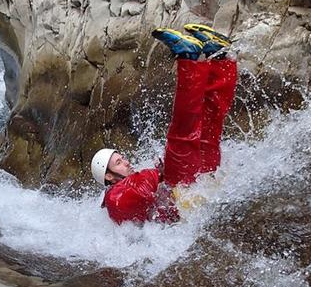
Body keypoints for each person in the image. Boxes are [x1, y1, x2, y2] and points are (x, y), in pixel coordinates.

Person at [91, 24, 237, 225]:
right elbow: (140, 190)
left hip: (192, 192)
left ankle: (221, 58)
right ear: (108, 176)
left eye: (122, 158)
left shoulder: (120, 196)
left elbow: (145, 192)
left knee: (210, 126)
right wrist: (158, 173)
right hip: (185, 193)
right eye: (118, 163)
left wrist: (157, 175)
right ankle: (188, 58)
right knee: (183, 132)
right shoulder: (114, 197)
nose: (126, 162)